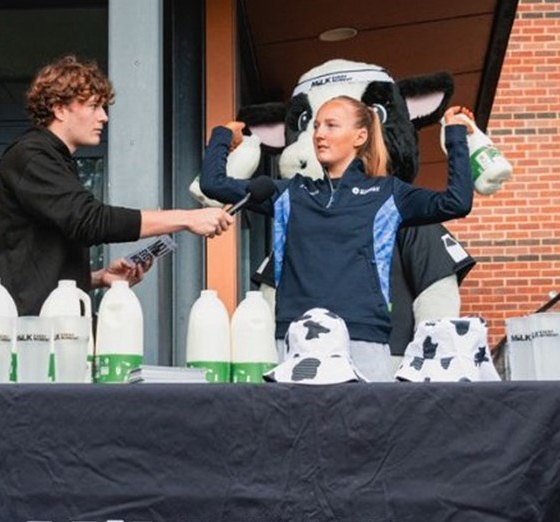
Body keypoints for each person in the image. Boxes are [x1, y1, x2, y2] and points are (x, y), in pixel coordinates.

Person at [200, 95, 475, 381]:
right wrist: (222, 137)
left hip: (363, 338)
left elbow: (456, 203)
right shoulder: (289, 194)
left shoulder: (388, 194)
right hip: (296, 339)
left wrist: (455, 135)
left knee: (367, 427)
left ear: (360, 136)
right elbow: (213, 184)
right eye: (316, 126)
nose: (319, 134)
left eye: (331, 126)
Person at [0, 55, 232, 315]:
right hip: (25, 337)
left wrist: (99, 277)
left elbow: (35, 266)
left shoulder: (52, 159)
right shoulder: (33, 155)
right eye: (93, 106)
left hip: (44, 330)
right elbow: (89, 220)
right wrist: (187, 218)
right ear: (59, 108)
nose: (104, 117)